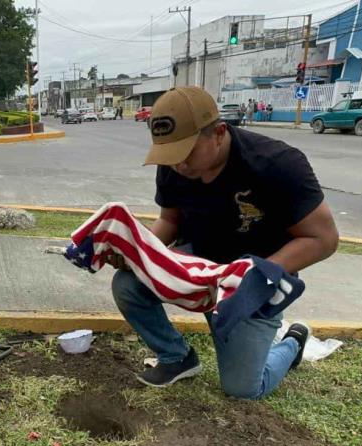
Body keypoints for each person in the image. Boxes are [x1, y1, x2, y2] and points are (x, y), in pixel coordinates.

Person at [110, 86, 338, 400]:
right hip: (200, 267)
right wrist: (138, 251)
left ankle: (293, 342)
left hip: (256, 281)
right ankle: (176, 357)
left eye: (186, 152)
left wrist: (250, 274)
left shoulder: (277, 164)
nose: (179, 165)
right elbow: (170, 221)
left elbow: (323, 239)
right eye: (170, 154)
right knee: (128, 283)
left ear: (218, 133)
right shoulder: (175, 164)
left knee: (243, 389)